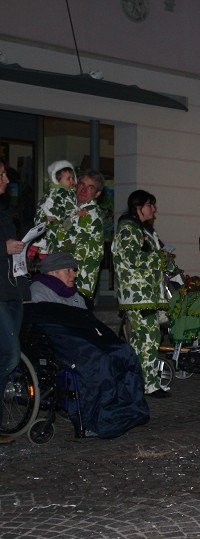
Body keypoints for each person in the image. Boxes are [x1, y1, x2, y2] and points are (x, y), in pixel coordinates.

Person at [26, 252, 149, 439]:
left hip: (80, 339)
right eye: (68, 270)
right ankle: (97, 419)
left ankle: (129, 410)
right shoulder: (39, 290)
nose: (74, 274)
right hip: (61, 345)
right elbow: (51, 327)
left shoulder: (75, 295)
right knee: (99, 361)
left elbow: (87, 324)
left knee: (124, 352)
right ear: (53, 272)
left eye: (73, 270)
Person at [112, 190, 181, 399]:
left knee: (145, 339)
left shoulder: (146, 231)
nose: (154, 209)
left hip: (148, 293)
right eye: (151, 205)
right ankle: (148, 384)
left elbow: (155, 257)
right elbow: (131, 258)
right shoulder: (128, 229)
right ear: (138, 206)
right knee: (148, 337)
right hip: (137, 295)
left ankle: (139, 381)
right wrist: (158, 257)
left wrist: (173, 271)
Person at [40, 170, 106, 301]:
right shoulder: (73, 209)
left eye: (90, 187)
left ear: (97, 194)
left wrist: (50, 221)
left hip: (78, 284)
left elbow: (62, 241)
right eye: (81, 184)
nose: (84, 190)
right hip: (68, 282)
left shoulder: (90, 215)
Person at [1, 158, 26, 444]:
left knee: (5, 355)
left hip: (11, 290)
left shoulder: (5, 212)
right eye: (1, 175)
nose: (6, 180)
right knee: (9, 354)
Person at [32, 160, 77, 259]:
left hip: (54, 223)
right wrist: (76, 213)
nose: (72, 181)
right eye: (68, 178)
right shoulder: (61, 192)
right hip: (55, 222)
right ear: (57, 180)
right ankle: (41, 248)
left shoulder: (57, 191)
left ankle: (41, 248)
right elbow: (70, 208)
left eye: (73, 178)